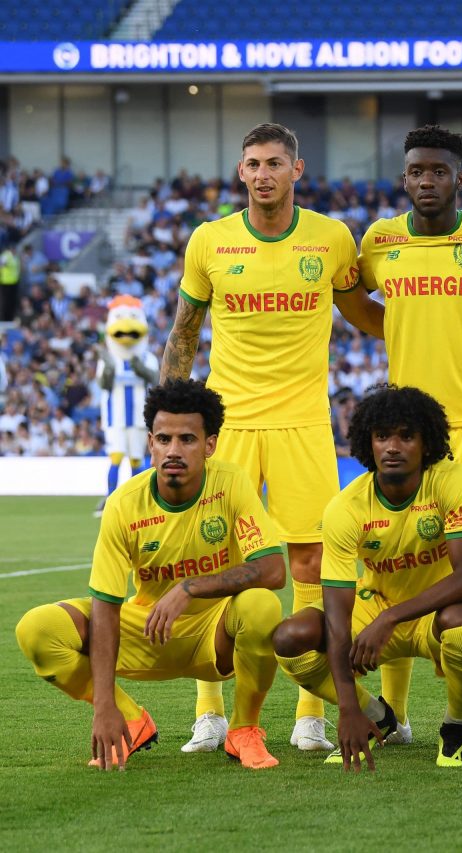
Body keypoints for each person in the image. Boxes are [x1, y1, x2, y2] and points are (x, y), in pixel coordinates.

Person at [160, 122, 377, 755]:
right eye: (253, 164)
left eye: (274, 163)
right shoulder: (210, 241)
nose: (263, 174)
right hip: (228, 421)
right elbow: (184, 332)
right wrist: (172, 419)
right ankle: (210, 713)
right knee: (214, 559)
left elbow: (362, 312)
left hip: (303, 422)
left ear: (296, 170)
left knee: (311, 562)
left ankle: (310, 712)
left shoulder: (331, 239)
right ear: (241, 171)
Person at [338, 124, 462, 752]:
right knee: (395, 562)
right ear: (404, 178)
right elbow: (355, 302)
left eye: (438, 171)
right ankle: (395, 713)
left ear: (460, 178)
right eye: (417, 171)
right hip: (406, 430)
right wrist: (397, 327)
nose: (427, 181)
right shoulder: (380, 240)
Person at [14, 379, 286, 770]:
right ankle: (131, 721)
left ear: (210, 444)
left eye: (187, 439)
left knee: (262, 605)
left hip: (215, 636)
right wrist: (104, 705)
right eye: (163, 439)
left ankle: (244, 730)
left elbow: (273, 569)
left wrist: (189, 587)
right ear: (150, 443)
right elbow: (106, 604)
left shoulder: (230, 483)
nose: (173, 450)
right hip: (148, 630)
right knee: (37, 629)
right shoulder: (124, 504)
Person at [271, 385, 462, 770]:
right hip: (375, 606)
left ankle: (455, 726)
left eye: (406, 436)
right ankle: (378, 717)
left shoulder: (451, 481)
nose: (392, 447)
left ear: (426, 442)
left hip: (432, 612)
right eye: (382, 436)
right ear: (366, 442)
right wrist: (349, 709)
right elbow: (337, 615)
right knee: (291, 638)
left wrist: (391, 618)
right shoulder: (346, 507)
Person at [95, 296, 159, 517]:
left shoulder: (148, 358)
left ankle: (136, 503)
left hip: (140, 418)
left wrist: (139, 367)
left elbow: (155, 380)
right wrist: (109, 369)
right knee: (115, 457)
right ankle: (110, 499)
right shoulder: (108, 359)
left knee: (136, 459)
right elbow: (103, 384)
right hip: (115, 417)